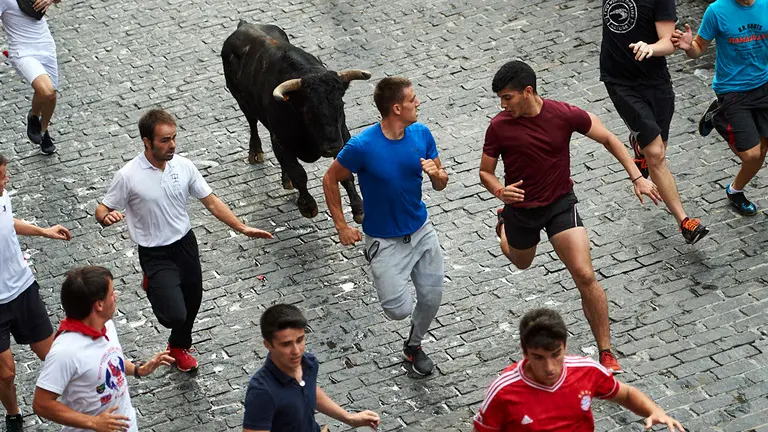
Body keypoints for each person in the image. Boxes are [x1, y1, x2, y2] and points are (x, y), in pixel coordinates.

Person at [479, 61, 664, 374]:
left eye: (507, 97)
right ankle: (503, 228)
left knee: (585, 275)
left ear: (528, 92)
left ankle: (606, 352)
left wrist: (637, 178)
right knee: (522, 262)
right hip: (521, 210)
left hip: (560, 204)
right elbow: (485, 171)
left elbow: (609, 138)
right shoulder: (499, 126)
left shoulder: (563, 115)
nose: (502, 104)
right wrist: (500, 192)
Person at [95, 109, 272, 373]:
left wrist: (241, 227)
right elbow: (102, 208)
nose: (172, 145)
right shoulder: (128, 175)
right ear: (147, 141)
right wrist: (106, 217)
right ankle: (153, 285)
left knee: (193, 302)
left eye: (174, 138)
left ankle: (179, 346)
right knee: (174, 314)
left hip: (185, 245)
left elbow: (210, 201)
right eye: (165, 140)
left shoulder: (184, 165)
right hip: (155, 252)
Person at [323, 77, 449, 376]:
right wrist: (341, 225)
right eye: (412, 99)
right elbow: (330, 179)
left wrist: (437, 175)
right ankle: (386, 272)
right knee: (398, 310)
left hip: (421, 231)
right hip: (384, 241)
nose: (418, 103)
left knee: (432, 297)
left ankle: (413, 346)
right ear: (396, 108)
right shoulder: (363, 146)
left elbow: (442, 182)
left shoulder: (421, 134)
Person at [599, 0, 709, 243]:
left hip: (655, 81)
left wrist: (649, 48)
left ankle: (640, 146)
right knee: (657, 154)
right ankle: (685, 222)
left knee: (657, 148)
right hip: (619, 81)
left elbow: (667, 43)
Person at [472, 308, 685, 432]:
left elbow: (626, 393)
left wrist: (655, 411)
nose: (549, 368)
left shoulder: (587, 370)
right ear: (524, 352)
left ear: (565, 346)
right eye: (538, 358)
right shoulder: (502, 392)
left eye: (556, 354)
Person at [33, 266, 174, 432]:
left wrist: (138, 369)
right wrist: (94, 423)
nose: (116, 296)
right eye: (112, 293)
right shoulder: (65, 352)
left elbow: (109, 361)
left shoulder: (106, 325)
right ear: (99, 305)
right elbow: (41, 404)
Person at [672, 0, 768, 216]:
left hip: (764, 86)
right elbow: (699, 48)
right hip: (732, 90)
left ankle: (735, 191)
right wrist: (689, 47)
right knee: (751, 155)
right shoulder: (716, 11)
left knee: (761, 152)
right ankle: (718, 115)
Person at [0, 154, 71, 432]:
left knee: (52, 355)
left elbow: (9, 222)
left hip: (23, 289)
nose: (7, 181)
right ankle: (14, 415)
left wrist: (43, 231)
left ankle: (80, 404)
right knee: (5, 373)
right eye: (2, 177)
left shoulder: (2, 196)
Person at [242, 304, 380, 432]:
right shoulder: (262, 393)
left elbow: (308, 392)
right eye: (286, 344)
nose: (296, 351)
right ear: (268, 345)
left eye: (300, 340)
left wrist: (349, 418)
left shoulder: (309, 363)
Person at [0, 0, 62, 154]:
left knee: (51, 95)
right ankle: (34, 115)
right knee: (46, 91)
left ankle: (42, 129)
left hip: (46, 45)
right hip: (23, 51)